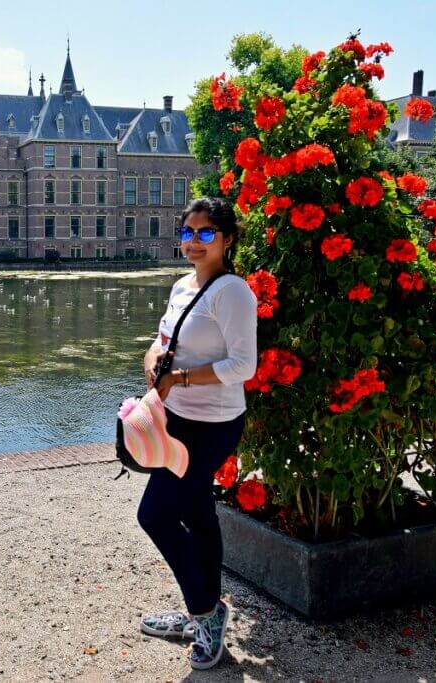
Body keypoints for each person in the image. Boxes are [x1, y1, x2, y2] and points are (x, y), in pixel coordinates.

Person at [136, 197, 258, 670]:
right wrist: (153, 361)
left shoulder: (233, 292)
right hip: (178, 419)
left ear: (227, 239)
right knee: (198, 510)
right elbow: (163, 339)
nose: (193, 242)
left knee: (156, 515)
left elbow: (243, 365)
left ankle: (205, 612)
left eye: (205, 234)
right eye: (187, 233)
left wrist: (181, 379)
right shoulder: (183, 285)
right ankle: (204, 610)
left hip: (212, 425)